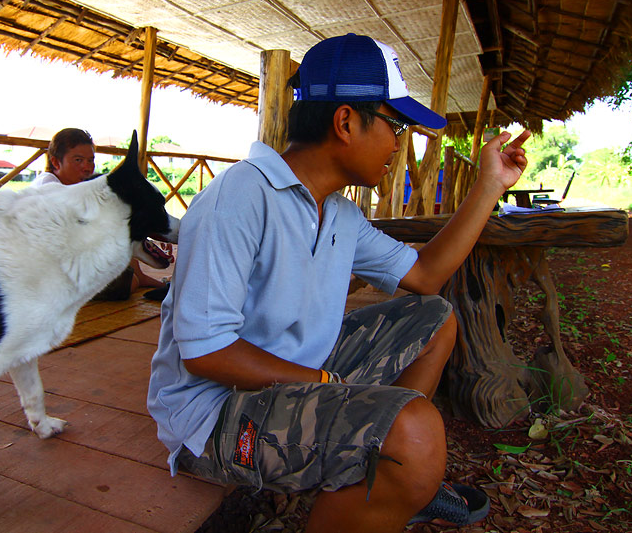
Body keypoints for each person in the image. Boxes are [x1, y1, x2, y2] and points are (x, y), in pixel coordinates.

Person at [147, 33, 531, 532]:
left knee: (435, 321)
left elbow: (428, 276)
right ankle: (391, 466)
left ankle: (381, 477)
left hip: (296, 374)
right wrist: (326, 384)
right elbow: (205, 353)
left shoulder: (341, 215)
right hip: (215, 414)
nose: (400, 144)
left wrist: (489, 186)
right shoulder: (240, 197)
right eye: (396, 126)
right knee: (413, 436)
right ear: (346, 121)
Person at [33, 127, 170, 297]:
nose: (87, 167)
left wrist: (152, 235)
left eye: (90, 160)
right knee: (128, 281)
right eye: (78, 160)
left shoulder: (79, 187)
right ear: (55, 162)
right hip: (47, 273)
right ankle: (139, 280)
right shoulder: (47, 188)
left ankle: (143, 278)